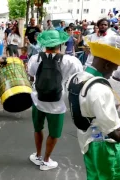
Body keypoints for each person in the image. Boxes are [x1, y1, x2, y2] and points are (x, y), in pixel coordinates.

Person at [27, 30, 83, 171]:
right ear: (61, 43)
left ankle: (38, 155)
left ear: (44, 44)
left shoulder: (35, 58)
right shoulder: (71, 61)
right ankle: (46, 160)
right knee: (54, 133)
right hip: (58, 104)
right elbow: (77, 79)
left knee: (38, 128)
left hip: (38, 100)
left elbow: (32, 75)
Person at [66, 41, 120, 180]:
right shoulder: (100, 89)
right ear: (106, 65)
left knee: (94, 175)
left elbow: (81, 106)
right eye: (113, 69)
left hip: (87, 141)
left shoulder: (75, 78)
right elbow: (116, 134)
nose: (112, 73)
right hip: (105, 148)